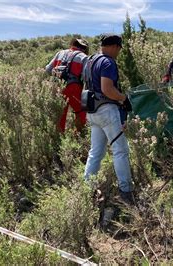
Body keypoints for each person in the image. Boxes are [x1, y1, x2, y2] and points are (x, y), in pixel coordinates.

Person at [83, 34, 134, 204]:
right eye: (119, 49)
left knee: (95, 152)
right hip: (106, 111)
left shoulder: (90, 61)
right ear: (114, 46)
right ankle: (126, 191)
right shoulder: (107, 62)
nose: (118, 52)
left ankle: (87, 189)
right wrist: (123, 98)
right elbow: (107, 89)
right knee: (120, 150)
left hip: (92, 112)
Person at [45, 38, 89, 133]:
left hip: (57, 88)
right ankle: (80, 137)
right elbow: (87, 76)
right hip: (74, 89)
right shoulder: (83, 57)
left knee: (59, 115)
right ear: (85, 48)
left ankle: (58, 140)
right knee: (81, 113)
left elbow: (48, 69)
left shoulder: (60, 53)